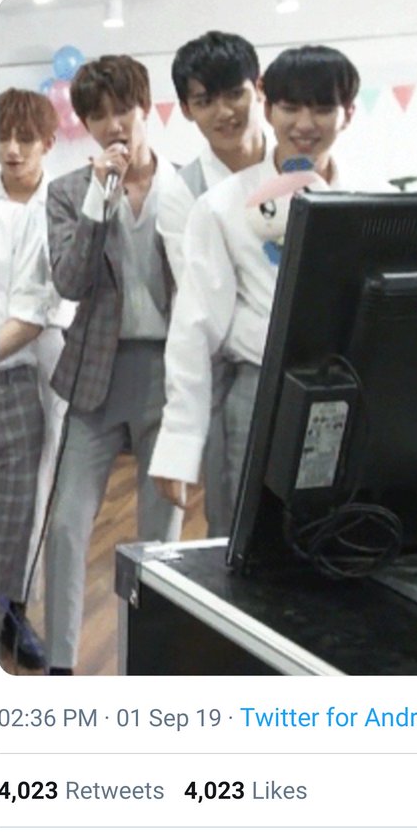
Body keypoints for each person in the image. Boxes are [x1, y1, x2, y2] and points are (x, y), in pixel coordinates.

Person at [149, 44, 362, 533]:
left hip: (351, 389)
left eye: (322, 108)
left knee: (341, 533)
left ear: (347, 114)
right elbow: (194, 325)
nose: (305, 123)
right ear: (269, 109)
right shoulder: (220, 205)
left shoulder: (370, 199)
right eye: (291, 107)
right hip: (259, 387)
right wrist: (179, 444)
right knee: (244, 533)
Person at [44, 55, 179, 674]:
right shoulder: (69, 192)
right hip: (95, 374)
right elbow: (71, 283)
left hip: (169, 376)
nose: (113, 125)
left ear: (145, 107)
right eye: (97, 116)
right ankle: (61, 665)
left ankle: (150, 663)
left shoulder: (184, 186)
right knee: (67, 525)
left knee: (160, 533)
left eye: (122, 109)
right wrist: (99, 201)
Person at [156, 30, 267, 535]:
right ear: (186, 110)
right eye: (205, 101)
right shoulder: (185, 194)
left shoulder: (299, 164)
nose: (224, 112)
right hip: (235, 370)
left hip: (325, 362)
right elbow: (204, 310)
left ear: (258, 89)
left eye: (234, 94)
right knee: (235, 518)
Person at [0, 199, 49, 670]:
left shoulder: (18, 219)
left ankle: (6, 612)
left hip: (8, 383)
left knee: (13, 519)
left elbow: (31, 315)